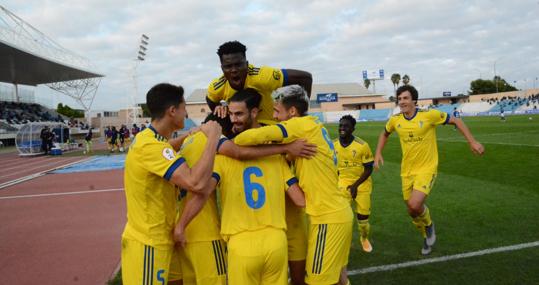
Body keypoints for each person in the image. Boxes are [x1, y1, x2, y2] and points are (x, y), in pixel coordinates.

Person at [173, 89, 315, 285]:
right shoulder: (275, 157)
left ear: (254, 112)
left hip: (241, 245)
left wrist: (181, 225)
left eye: (238, 114)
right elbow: (300, 200)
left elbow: (202, 194)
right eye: (231, 114)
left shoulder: (222, 159)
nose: (233, 119)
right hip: (276, 242)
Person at [233, 85, 353, 285]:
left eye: (277, 111)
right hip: (338, 213)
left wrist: (285, 146)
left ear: (292, 112)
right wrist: (289, 150)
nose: (274, 116)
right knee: (340, 279)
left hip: (327, 217)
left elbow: (244, 138)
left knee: (315, 282)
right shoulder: (313, 126)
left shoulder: (298, 125)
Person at [121, 83, 222, 285]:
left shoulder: (147, 137)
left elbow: (165, 148)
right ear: (172, 111)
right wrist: (213, 138)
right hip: (148, 242)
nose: (186, 115)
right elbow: (195, 183)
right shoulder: (150, 146)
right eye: (184, 108)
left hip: (157, 238)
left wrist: (188, 135)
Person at [374, 85, 485, 255]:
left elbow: (456, 120)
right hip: (406, 171)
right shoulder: (395, 120)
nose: (402, 102)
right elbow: (384, 133)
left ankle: (429, 225)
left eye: (405, 98)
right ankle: (427, 232)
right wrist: (378, 153)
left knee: (414, 204)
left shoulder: (429, 115)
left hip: (427, 168)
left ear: (414, 100)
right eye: (400, 99)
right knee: (412, 210)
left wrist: (472, 142)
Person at [206, 40, 312, 123]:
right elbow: (210, 99)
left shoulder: (263, 77)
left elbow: (305, 78)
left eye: (238, 65)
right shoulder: (217, 87)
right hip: (242, 130)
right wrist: (219, 108)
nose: (234, 70)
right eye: (228, 66)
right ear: (222, 69)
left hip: (271, 127)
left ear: (247, 65)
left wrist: (302, 113)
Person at [334, 115, 374, 253]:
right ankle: (345, 241)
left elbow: (369, 169)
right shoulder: (333, 145)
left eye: (346, 126)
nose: (342, 128)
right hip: (343, 183)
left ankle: (364, 238)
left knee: (362, 220)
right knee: (342, 216)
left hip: (362, 184)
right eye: (340, 125)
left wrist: (356, 185)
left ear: (353, 129)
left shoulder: (362, 146)